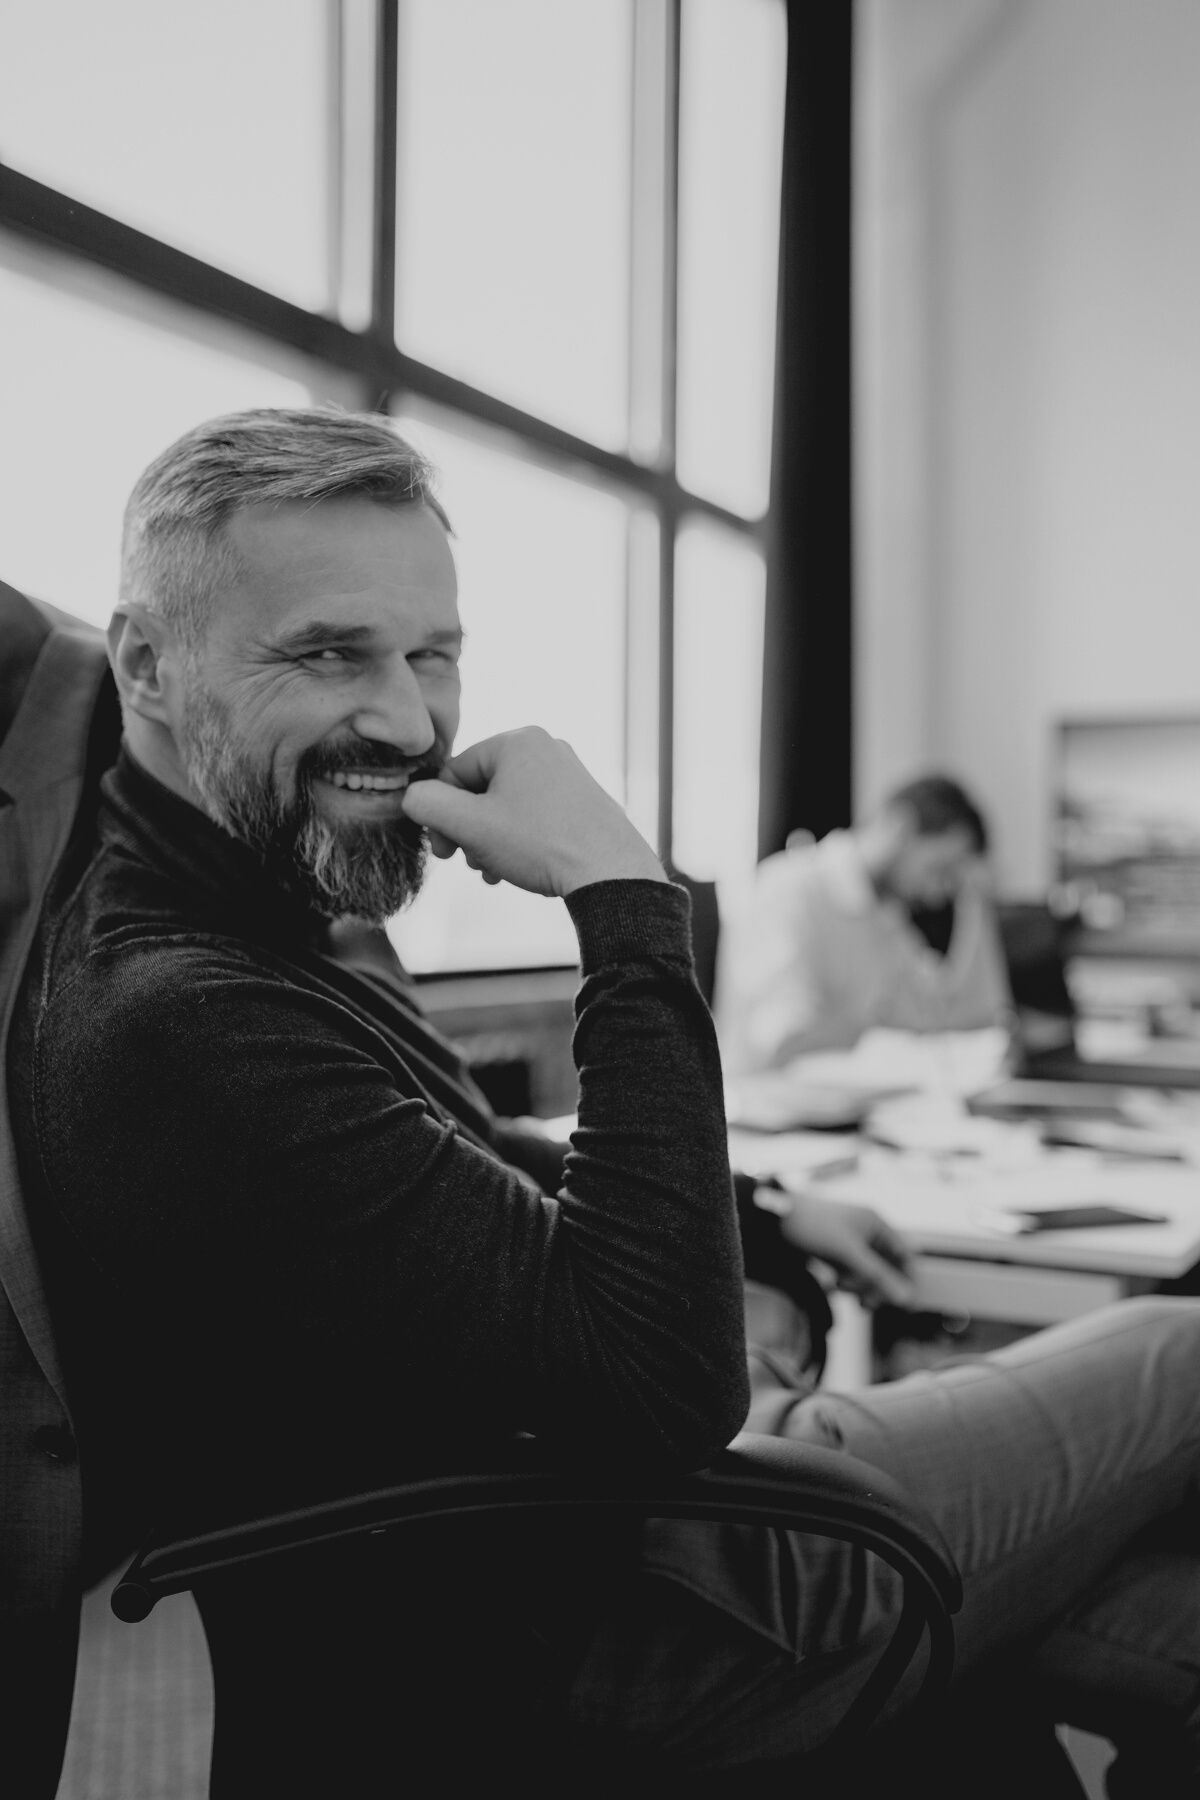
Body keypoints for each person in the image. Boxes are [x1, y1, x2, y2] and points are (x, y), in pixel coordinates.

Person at [9, 409, 1200, 1794]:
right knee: (1179, 1349)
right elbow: (662, 1391)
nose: (404, 718)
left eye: (431, 652)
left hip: (598, 1540)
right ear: (146, 665)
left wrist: (760, 1207)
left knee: (1155, 1584)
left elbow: (453, 1161)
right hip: (620, 1612)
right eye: (328, 652)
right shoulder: (180, 1013)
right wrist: (623, 902)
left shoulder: (267, 909)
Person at [715, 776, 1012, 1074]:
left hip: (847, 1111)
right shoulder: (787, 889)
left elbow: (932, 1026)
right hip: (766, 1108)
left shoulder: (890, 914)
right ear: (901, 827)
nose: (935, 896)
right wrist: (880, 1041)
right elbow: (781, 1043)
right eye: (937, 870)